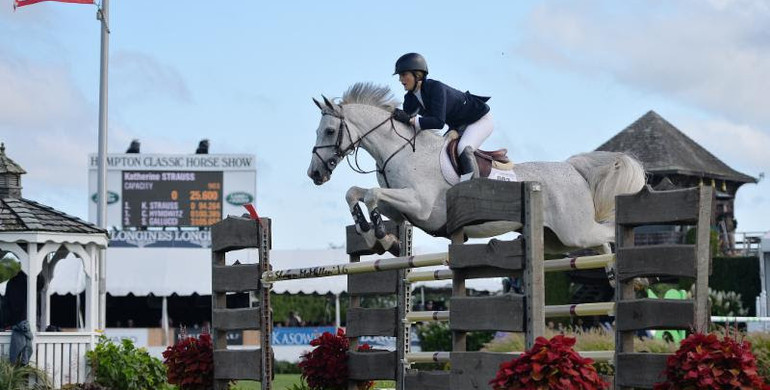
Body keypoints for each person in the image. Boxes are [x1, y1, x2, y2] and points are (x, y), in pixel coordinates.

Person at [392, 52, 494, 179]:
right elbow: (408, 123)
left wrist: (411, 120)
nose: (400, 79)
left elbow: (438, 123)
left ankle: (473, 187)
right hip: (457, 125)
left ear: (417, 75)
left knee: (463, 147)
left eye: (403, 75)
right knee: (439, 151)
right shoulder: (409, 99)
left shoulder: (435, 88)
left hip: (479, 118)